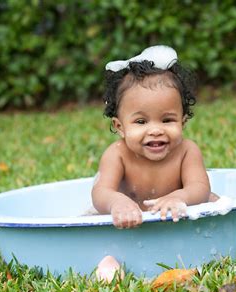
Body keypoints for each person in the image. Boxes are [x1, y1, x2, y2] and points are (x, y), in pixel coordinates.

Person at [91, 45, 217, 230]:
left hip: (176, 223)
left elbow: (200, 188)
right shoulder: (117, 154)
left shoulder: (187, 151)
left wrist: (180, 198)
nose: (156, 130)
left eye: (167, 120)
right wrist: (116, 203)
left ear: (182, 122)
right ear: (120, 127)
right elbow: (101, 192)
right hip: (131, 225)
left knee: (215, 201)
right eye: (141, 122)